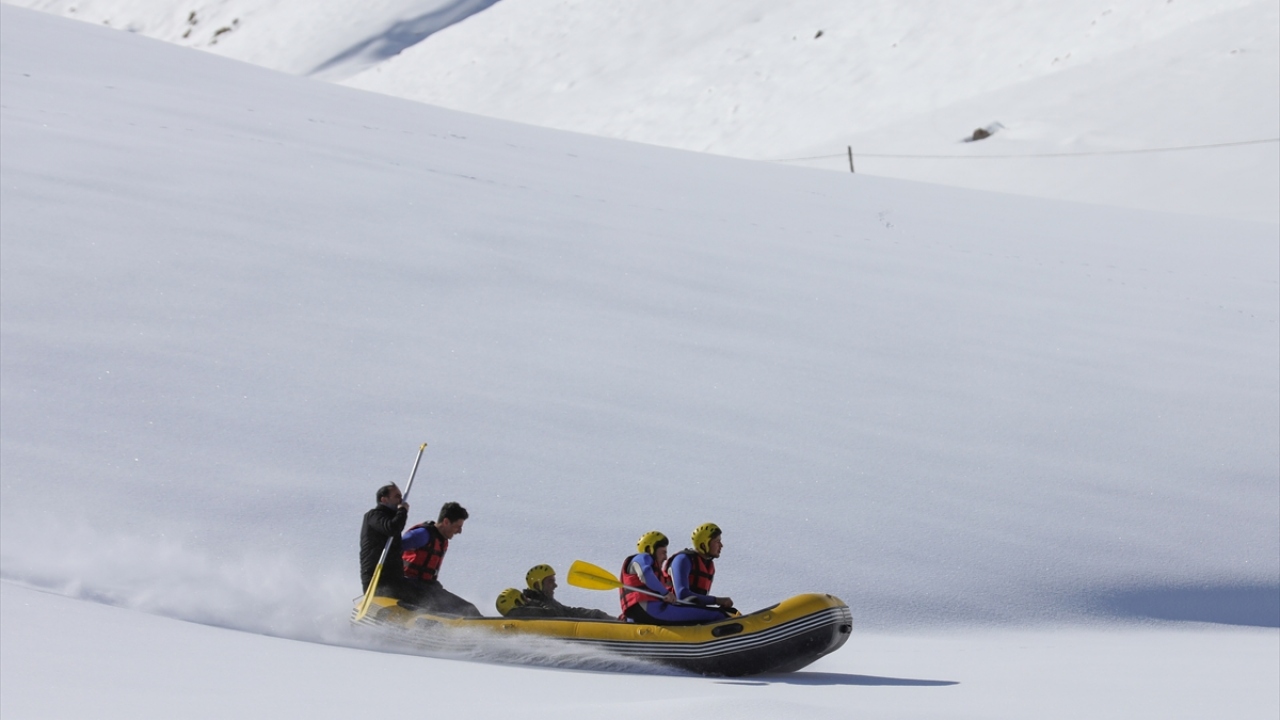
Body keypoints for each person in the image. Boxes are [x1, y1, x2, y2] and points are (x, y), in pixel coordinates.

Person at [619, 531, 727, 625]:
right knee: (718, 614)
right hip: (651, 609)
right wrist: (665, 593)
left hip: (643, 611)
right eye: (663, 552)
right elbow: (645, 574)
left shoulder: (654, 571)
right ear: (649, 549)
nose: (666, 557)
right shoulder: (643, 557)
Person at [400, 501, 482, 617]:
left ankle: (485, 629)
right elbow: (393, 547)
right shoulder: (422, 534)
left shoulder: (442, 540)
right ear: (446, 522)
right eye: (458, 527)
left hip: (429, 587)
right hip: (411, 587)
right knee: (448, 611)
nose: (459, 531)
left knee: (469, 609)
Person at [665, 523, 736, 614]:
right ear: (704, 544)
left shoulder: (709, 566)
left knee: (731, 612)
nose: (721, 545)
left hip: (692, 610)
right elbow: (682, 594)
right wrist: (717, 600)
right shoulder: (683, 559)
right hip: (672, 610)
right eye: (717, 541)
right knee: (720, 615)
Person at [504, 564, 613, 620]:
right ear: (537, 584)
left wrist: (596, 614)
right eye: (550, 582)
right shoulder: (532, 603)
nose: (555, 585)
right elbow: (551, 614)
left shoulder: (547, 601)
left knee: (597, 614)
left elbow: (568, 611)